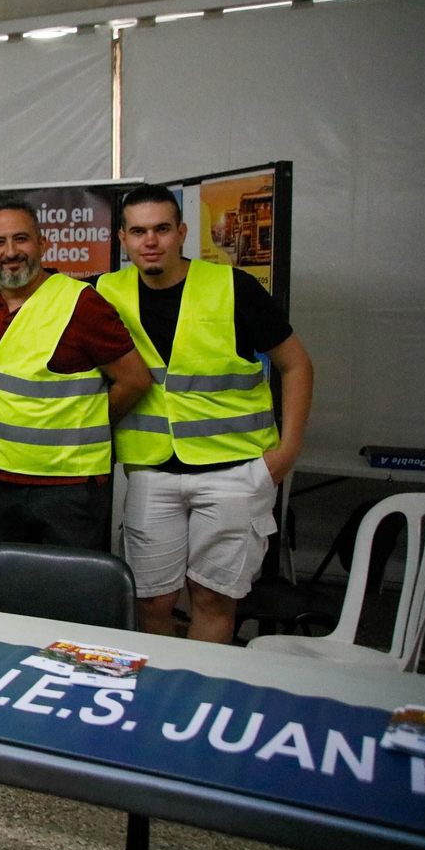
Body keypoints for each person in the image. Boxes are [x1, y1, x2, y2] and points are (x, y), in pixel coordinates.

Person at [98, 184, 313, 642]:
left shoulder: (232, 286)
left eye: (161, 229)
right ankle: (158, 683)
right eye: (138, 231)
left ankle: (197, 683)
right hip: (152, 471)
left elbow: (296, 365)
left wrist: (288, 451)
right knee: (150, 600)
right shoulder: (105, 292)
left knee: (212, 598)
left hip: (234, 471)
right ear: (122, 239)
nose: (150, 241)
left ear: (181, 233)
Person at [0, 199, 153, 550]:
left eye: (21, 239)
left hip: (69, 488)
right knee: (6, 581)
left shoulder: (81, 303)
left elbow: (135, 380)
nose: (10, 252)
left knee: (68, 583)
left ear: (42, 243)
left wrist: (87, 425)